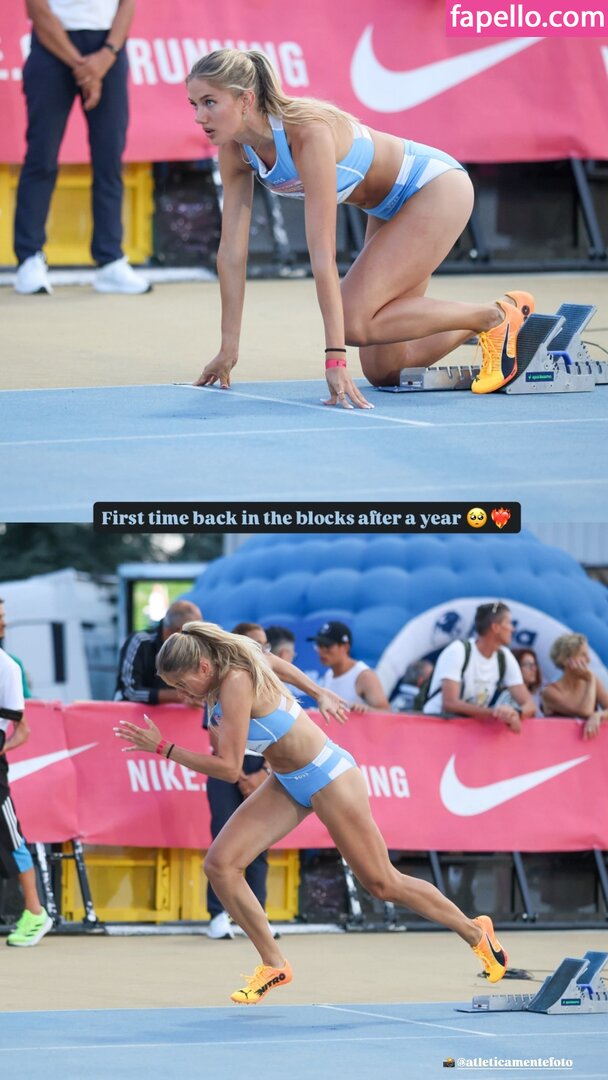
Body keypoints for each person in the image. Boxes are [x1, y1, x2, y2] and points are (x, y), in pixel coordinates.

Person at [115, 621, 509, 1004]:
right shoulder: (233, 660)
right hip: (287, 781)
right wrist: (318, 692)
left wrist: (164, 748)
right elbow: (276, 663)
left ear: (203, 667)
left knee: (382, 883)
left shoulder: (235, 680)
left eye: (184, 684)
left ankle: (476, 932)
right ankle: (274, 964)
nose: (183, 693)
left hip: (329, 777)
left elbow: (230, 769)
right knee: (220, 865)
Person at [186, 48, 535, 407]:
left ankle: (495, 318)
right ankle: (501, 310)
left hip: (434, 188)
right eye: (194, 104)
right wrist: (228, 349)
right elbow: (232, 253)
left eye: (210, 102)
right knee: (387, 369)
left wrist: (335, 359)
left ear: (246, 100)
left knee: (352, 322)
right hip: (387, 208)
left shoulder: (307, 134)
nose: (200, 116)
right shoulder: (235, 151)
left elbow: (322, 254)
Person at [14, 0, 151, 296]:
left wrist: (106, 55)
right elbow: (37, 9)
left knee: (109, 159)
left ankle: (110, 260)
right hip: (53, 46)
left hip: (108, 48)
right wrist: (83, 66)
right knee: (41, 157)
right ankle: (29, 258)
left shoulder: (108, 52)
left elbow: (127, 5)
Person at [205, 621, 273, 941]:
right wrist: (241, 774)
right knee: (222, 841)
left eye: (265, 644)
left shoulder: (269, 683)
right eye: (256, 643)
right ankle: (218, 914)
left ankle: (258, 916)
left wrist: (263, 773)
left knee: (258, 844)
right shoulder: (219, 683)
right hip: (225, 768)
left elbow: (284, 734)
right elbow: (215, 733)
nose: (263, 649)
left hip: (263, 766)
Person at [0, 649, 52, 946]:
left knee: (12, 838)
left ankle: (35, 913)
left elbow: (23, 730)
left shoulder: (7, 667)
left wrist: (2, 748)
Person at [422, 602, 536, 729]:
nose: (512, 628)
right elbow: (450, 703)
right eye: (509, 623)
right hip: (436, 728)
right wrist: (496, 713)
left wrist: (515, 714)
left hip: (467, 730)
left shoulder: (504, 656)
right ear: (495, 627)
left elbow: (530, 705)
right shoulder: (458, 651)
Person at [114, 600, 202, 705]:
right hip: (131, 714)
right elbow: (130, 691)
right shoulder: (140, 641)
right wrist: (180, 696)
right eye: (195, 632)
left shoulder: (192, 649)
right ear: (180, 631)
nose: (197, 638)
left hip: (172, 714)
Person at [309, 621, 390, 712]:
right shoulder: (329, 675)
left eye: (327, 646)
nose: (321, 651)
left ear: (345, 647)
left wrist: (366, 710)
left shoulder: (364, 675)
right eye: (319, 645)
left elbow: (386, 712)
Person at [541, 633, 608, 739]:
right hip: (559, 744)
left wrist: (599, 715)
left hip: (588, 743)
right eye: (583, 655)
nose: (588, 659)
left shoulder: (593, 682)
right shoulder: (550, 691)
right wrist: (590, 678)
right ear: (566, 660)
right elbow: (585, 712)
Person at [0, 599, 33, 698]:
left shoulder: (11, 664)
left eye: (3, 617)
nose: (4, 623)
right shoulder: (11, 664)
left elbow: (26, 703)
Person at [511, 647, 543, 712]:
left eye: (534, 664)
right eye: (528, 665)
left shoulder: (538, 697)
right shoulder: (508, 696)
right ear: (516, 667)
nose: (533, 669)